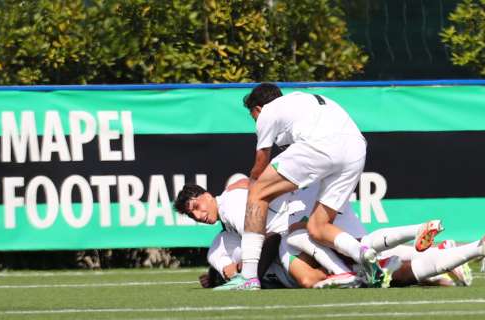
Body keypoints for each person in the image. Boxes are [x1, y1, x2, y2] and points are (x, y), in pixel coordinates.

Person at [226, 82, 384, 290]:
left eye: (253, 116)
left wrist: (253, 190)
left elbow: (261, 163)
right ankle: (361, 252)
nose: (255, 121)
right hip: (356, 149)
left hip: (322, 144)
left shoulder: (267, 112)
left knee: (257, 193)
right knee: (318, 227)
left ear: (257, 109)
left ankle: (248, 277)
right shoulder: (303, 101)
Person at [174, 179, 446, 289]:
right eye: (191, 214)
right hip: (297, 218)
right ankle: (440, 255)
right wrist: (223, 274)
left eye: (197, 206)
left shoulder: (231, 206)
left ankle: (350, 273)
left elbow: (267, 237)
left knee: (352, 254)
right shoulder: (226, 226)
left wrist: (249, 275)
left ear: (207, 195)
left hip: (302, 213)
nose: (198, 215)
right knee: (362, 256)